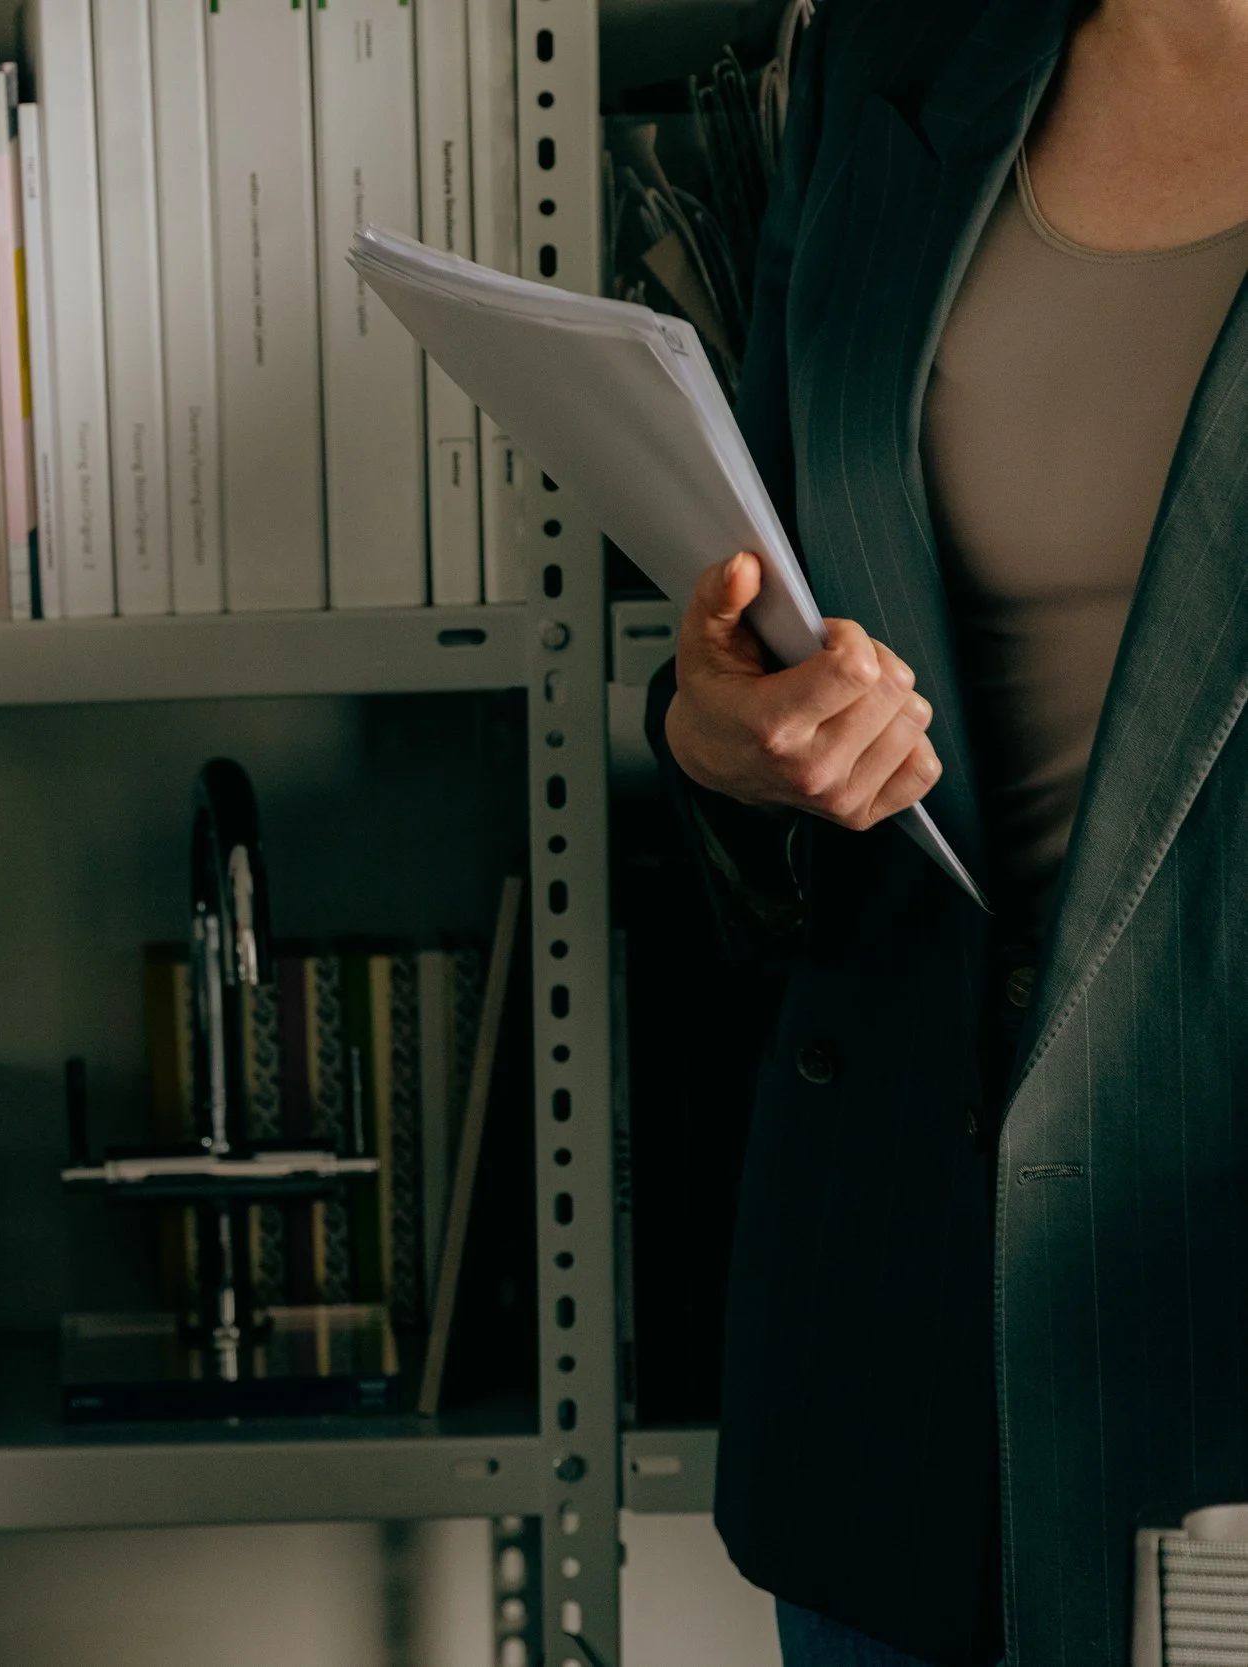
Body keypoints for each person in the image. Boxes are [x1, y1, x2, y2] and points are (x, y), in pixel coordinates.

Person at [650, 0, 1248, 1662]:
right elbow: (758, 600)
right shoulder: (880, 57)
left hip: (1212, 1271)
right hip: (898, 1290)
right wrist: (718, 730)